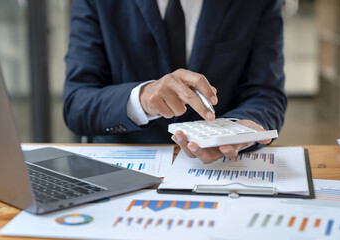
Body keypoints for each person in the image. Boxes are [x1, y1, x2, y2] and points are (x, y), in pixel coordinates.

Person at [63, 0, 287, 164]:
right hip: (123, 166)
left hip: (222, 168)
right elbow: (77, 103)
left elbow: (265, 92)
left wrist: (237, 130)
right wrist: (143, 99)